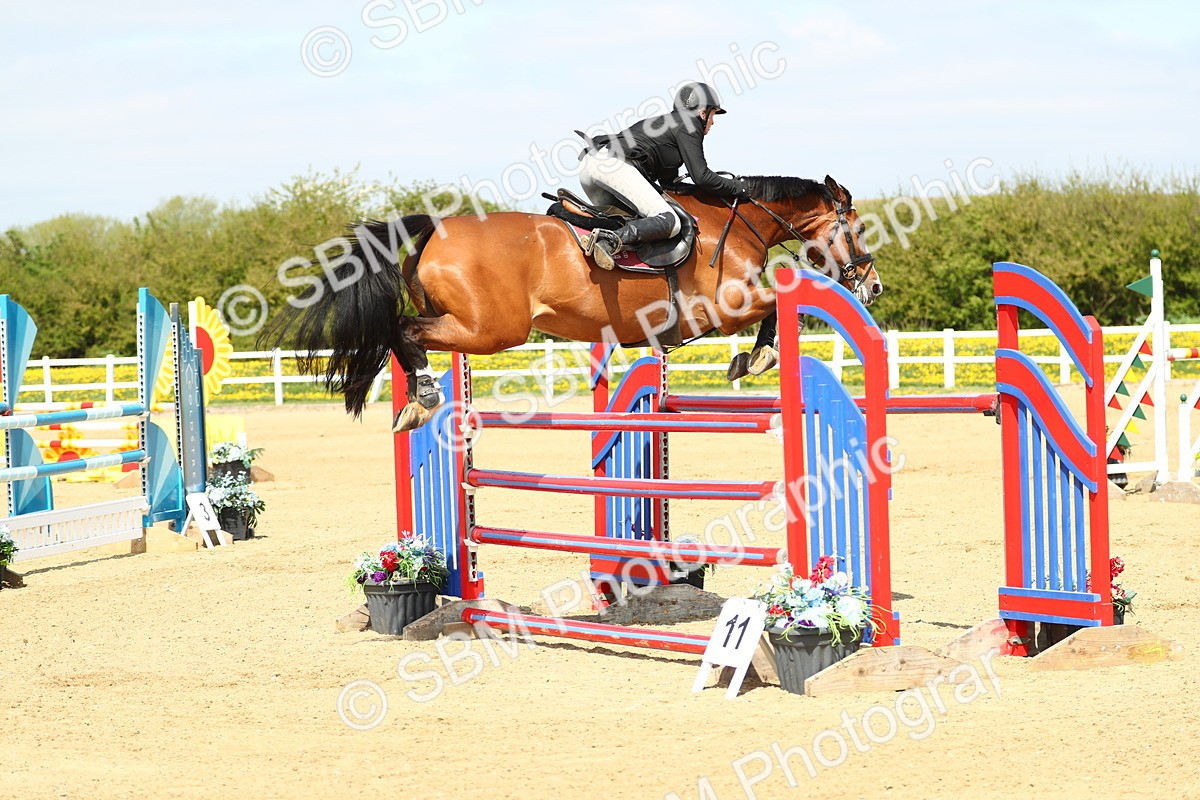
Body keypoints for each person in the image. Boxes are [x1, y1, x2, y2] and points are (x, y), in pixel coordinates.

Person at [578, 81, 751, 270]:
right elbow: (701, 177)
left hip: (591, 165)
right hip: (613, 165)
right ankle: (608, 240)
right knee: (669, 221)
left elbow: (669, 186)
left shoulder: (669, 125)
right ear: (703, 112)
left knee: (631, 220)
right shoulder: (689, 123)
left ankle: (607, 246)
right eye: (713, 114)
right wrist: (742, 187)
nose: (713, 121)